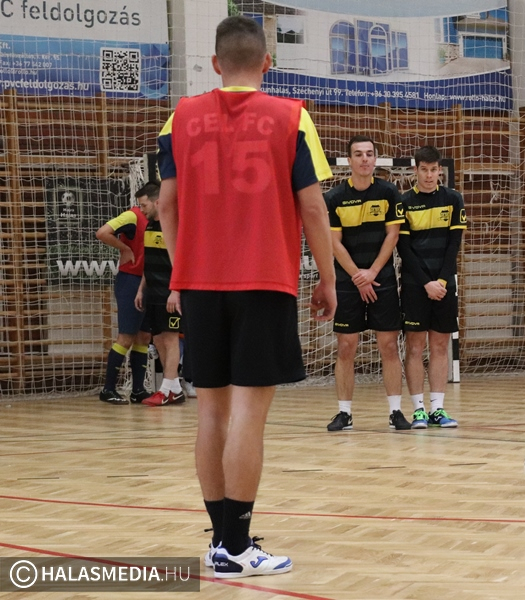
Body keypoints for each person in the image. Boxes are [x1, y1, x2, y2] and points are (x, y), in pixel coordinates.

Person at [156, 16, 336, 579]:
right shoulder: (292, 116)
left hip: (200, 283)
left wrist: (181, 273)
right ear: (267, 63)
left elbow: (166, 206)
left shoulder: (180, 116)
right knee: (248, 417)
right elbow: (313, 207)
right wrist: (327, 279)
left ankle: (221, 541)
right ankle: (236, 547)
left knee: (211, 411)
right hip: (264, 279)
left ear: (215, 64)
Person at [324, 135, 409, 432]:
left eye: (369, 154)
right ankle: (344, 413)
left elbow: (393, 235)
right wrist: (358, 277)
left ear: (375, 159)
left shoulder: (388, 192)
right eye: (358, 154)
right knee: (346, 346)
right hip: (348, 282)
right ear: (349, 160)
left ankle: (396, 411)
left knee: (389, 345)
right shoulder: (334, 197)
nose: (364, 159)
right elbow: (334, 243)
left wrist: (372, 272)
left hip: (381, 279)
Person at [397, 146, 467, 428]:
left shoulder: (453, 199)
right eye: (424, 170)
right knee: (415, 347)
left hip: (443, 284)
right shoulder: (403, 202)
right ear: (415, 170)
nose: (429, 175)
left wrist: (441, 281)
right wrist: (425, 282)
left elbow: (454, 245)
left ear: (440, 171)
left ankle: (438, 408)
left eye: (433, 170)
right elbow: (404, 249)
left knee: (440, 345)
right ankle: (419, 410)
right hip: (415, 285)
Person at [94, 184, 152, 405]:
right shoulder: (132, 216)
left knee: (143, 337)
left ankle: (138, 390)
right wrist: (124, 248)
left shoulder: (158, 220)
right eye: (141, 204)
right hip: (130, 281)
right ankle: (108, 389)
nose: (142, 208)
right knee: (126, 337)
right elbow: (102, 232)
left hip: (147, 281)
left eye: (144, 204)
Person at [134, 187, 185, 407]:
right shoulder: (149, 226)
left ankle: (165, 389)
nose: (141, 210)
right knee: (158, 339)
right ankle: (174, 389)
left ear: (157, 203)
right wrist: (141, 289)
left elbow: (181, 263)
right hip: (153, 292)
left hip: (169, 292)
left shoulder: (173, 226)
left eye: (144, 205)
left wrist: (176, 291)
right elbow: (148, 262)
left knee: (170, 338)